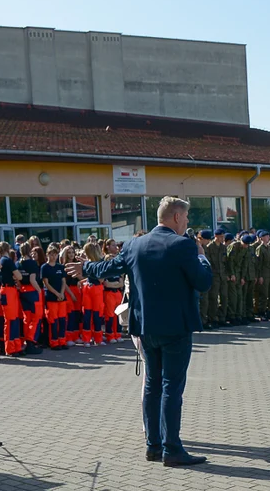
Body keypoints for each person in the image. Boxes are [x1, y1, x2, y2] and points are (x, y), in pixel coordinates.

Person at [69, 196, 213, 467]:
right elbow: (203, 282)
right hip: (176, 328)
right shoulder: (184, 246)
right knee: (171, 386)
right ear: (177, 217)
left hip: (145, 326)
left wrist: (86, 268)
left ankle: (153, 446)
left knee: (152, 384)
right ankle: (172, 449)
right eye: (186, 218)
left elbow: (110, 267)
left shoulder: (136, 243)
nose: (187, 223)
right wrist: (203, 259)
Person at [0, 242, 27, 356]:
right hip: (9, 290)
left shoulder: (1, 261)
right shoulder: (7, 261)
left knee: (12, 320)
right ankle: (11, 348)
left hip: (7, 289)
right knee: (11, 320)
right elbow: (19, 276)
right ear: (7, 249)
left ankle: (15, 346)